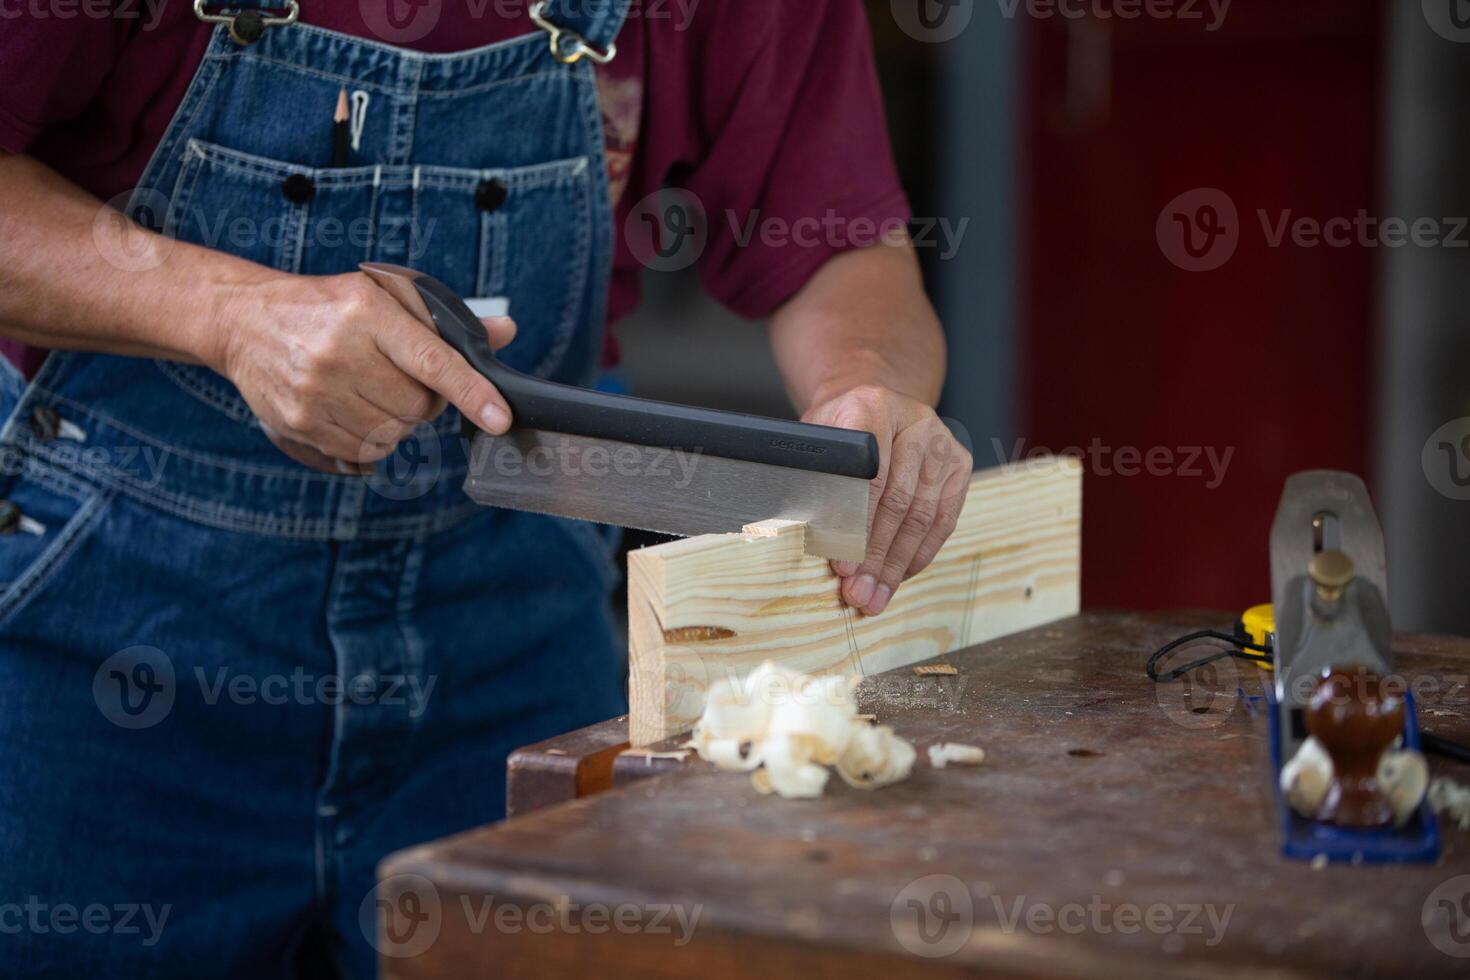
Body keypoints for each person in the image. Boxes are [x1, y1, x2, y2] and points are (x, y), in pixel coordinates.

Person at [0, 0, 972, 974]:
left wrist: (868, 389)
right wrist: (229, 315)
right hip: (110, 641)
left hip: (513, 638)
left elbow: (841, 243)